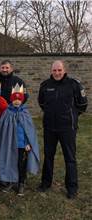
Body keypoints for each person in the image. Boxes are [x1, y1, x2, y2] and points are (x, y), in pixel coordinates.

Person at [37, 60, 88, 199]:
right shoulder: (45, 85)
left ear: (64, 70)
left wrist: (72, 116)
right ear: (51, 70)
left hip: (67, 128)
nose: (57, 73)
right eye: (54, 70)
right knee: (48, 157)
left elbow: (82, 105)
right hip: (49, 128)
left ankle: (72, 188)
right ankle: (46, 183)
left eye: (59, 70)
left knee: (70, 158)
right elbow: (41, 103)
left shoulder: (74, 84)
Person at [0, 83, 40, 196]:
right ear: (11, 100)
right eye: (14, 99)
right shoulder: (7, 112)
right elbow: (3, 130)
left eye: (19, 99)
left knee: (21, 164)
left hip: (22, 145)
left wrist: (28, 143)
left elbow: (29, 131)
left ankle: (21, 183)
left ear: (22, 100)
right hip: (10, 144)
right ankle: (11, 181)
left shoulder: (25, 113)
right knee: (10, 162)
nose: (16, 101)